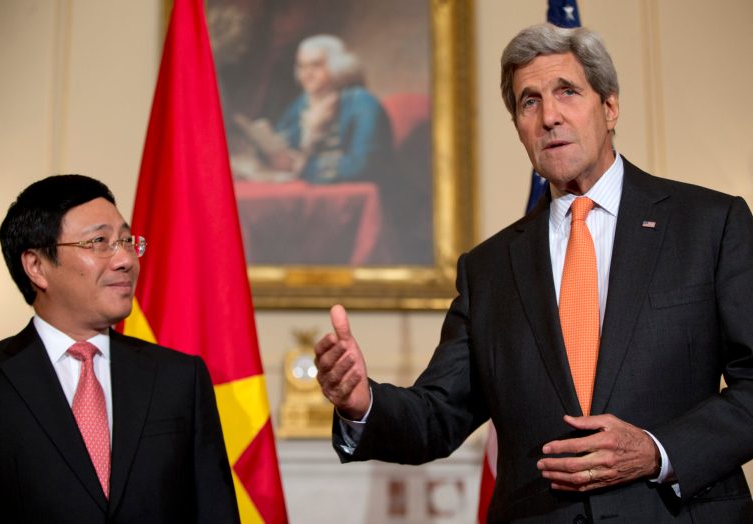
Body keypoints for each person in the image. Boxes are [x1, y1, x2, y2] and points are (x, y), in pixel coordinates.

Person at [314, 23, 753, 523]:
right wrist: (360, 402)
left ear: (610, 106)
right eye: (529, 102)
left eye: (568, 92)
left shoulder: (709, 225)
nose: (549, 117)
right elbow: (437, 415)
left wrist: (658, 450)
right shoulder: (488, 270)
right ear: (519, 125)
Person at [0, 175, 240, 523]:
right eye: (99, 241)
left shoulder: (179, 378)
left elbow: (214, 512)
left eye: (127, 240)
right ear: (37, 266)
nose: (125, 259)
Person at [273, 34, 394, 184]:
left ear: (338, 66)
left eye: (316, 65)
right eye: (302, 66)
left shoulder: (362, 103)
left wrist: (304, 167)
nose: (307, 74)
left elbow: (364, 164)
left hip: (354, 195)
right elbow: (280, 144)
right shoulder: (301, 104)